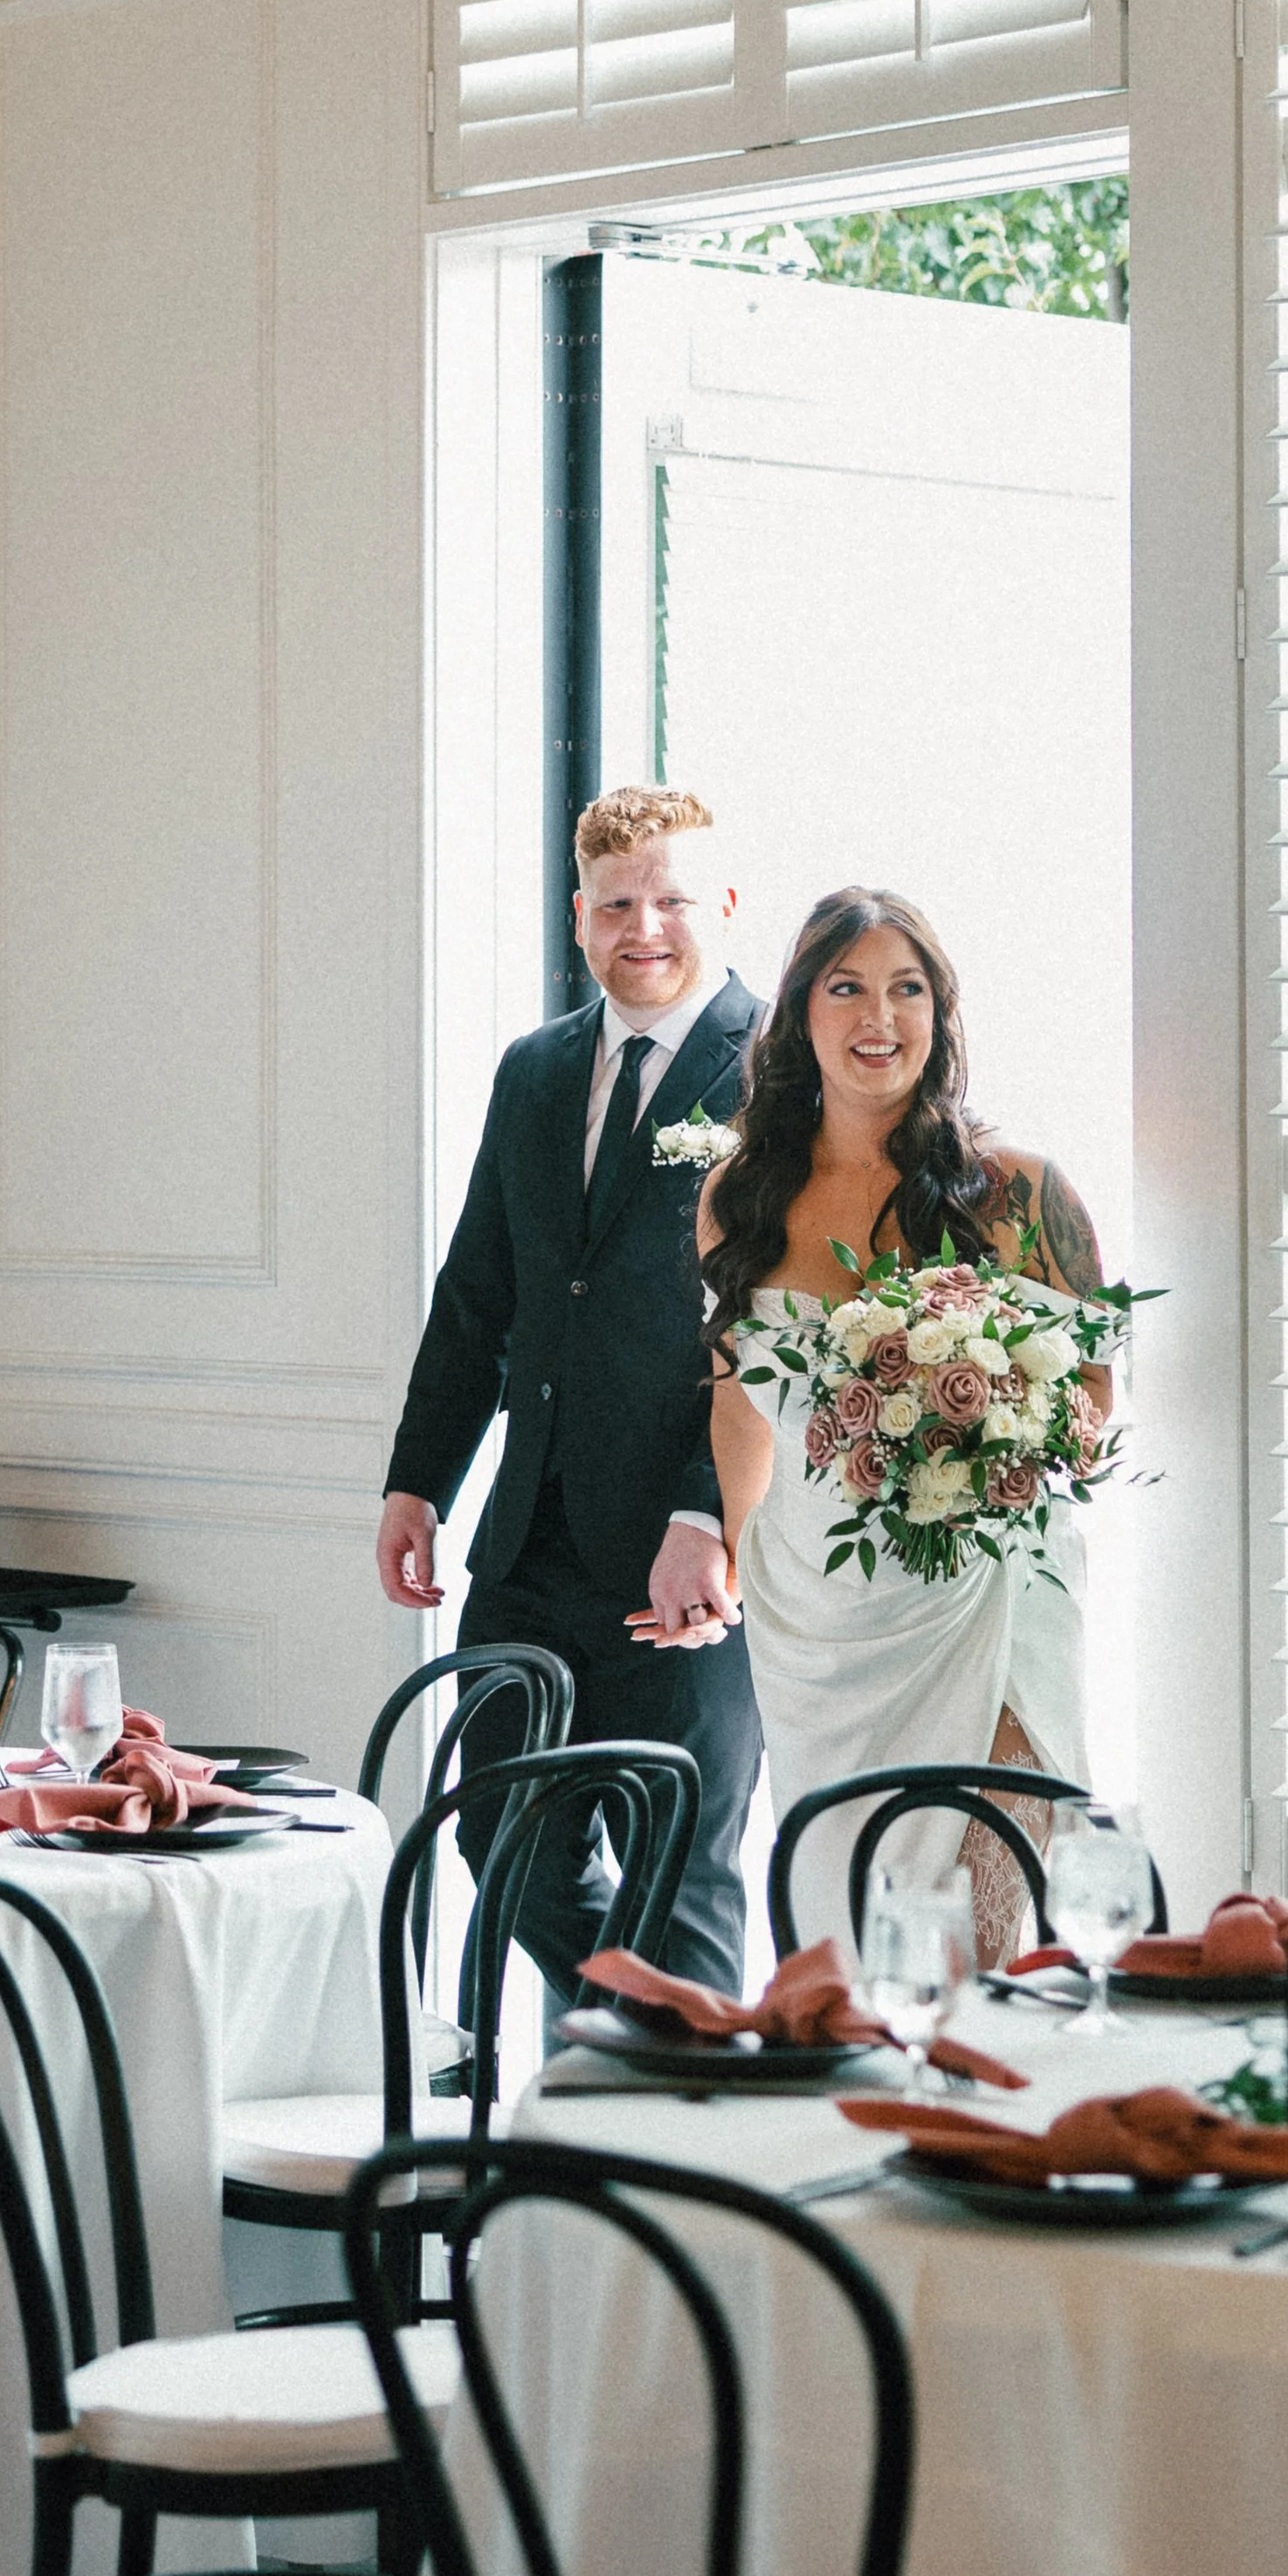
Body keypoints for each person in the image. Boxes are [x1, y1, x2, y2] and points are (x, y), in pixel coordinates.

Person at [378, 787, 766, 2008]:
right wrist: (417, 1481)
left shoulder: (780, 1078)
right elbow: (477, 1293)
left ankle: (679, 2156)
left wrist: (706, 1519)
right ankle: (638, 2035)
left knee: (676, 1866)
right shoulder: (535, 1070)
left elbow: (779, 1331)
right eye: (615, 905)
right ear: (579, 916)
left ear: (727, 908)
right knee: (500, 1835)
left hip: (685, 1555)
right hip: (530, 1542)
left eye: (670, 900)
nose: (642, 927)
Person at [673, 885, 1110, 1969]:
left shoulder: (1015, 1192)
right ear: (801, 1015)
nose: (881, 1018)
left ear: (939, 1011)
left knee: (976, 1940)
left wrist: (988, 1442)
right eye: (850, 988)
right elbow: (740, 1393)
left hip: (986, 1600)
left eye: (907, 990)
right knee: (850, 1941)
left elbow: (1093, 1396)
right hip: (815, 1623)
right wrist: (721, 1548)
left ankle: (989, 2131)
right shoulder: (741, 1194)